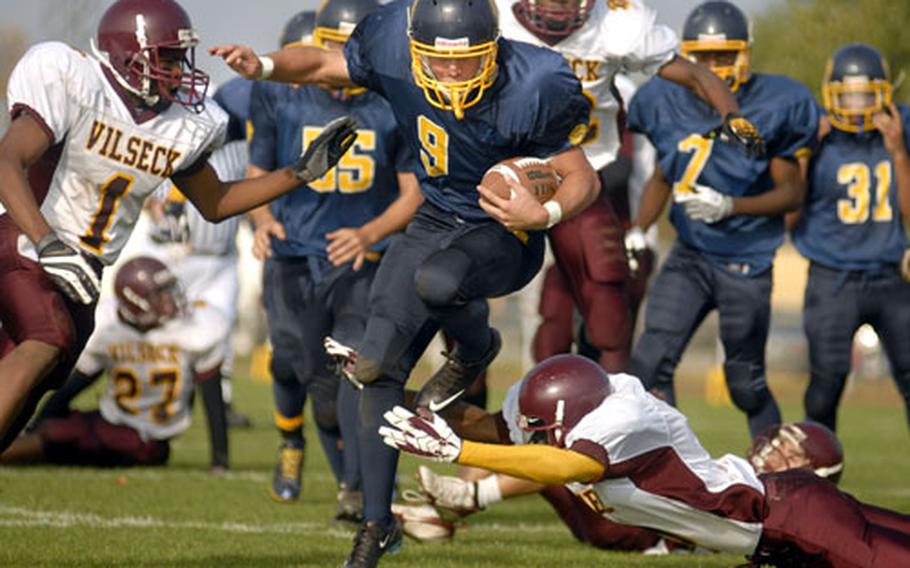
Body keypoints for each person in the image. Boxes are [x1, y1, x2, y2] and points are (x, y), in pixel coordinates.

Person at [212, 0, 603, 564]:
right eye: (438, 63)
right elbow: (322, 65)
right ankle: (376, 525)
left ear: (491, 50)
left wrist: (542, 216)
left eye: (466, 63)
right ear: (414, 49)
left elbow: (580, 174)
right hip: (435, 218)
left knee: (438, 283)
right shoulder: (392, 41)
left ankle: (475, 348)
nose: (450, 75)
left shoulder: (536, 81)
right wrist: (264, 66)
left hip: (502, 229)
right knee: (375, 369)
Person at [0, 0, 356, 453]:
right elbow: (6, 161)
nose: (178, 69)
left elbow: (216, 201)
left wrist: (297, 174)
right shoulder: (76, 81)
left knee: (33, 385)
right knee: (47, 339)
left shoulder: (179, 125)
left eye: (181, 57)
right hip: (28, 241)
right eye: (167, 57)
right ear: (128, 55)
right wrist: (47, 242)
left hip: (86, 269)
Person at [381, 354, 910, 567]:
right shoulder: (595, 401)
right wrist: (382, 387)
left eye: (544, 429)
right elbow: (491, 424)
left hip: (787, 518)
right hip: (778, 528)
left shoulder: (623, 420)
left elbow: (568, 468)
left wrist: (458, 453)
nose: (536, 437)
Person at [497, 0, 763, 371]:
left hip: (581, 178)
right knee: (462, 293)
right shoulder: (494, 15)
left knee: (608, 309)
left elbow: (695, 75)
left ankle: (611, 402)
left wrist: (731, 113)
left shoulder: (615, 24)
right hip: (499, 174)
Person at [245, 0, 422, 525]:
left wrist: (369, 231)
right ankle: (300, 443)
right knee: (308, 375)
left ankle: (353, 489)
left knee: (355, 371)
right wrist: (261, 221)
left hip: (362, 258)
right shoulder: (282, 93)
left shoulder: (392, 101)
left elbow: (413, 194)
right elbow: (257, 170)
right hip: (294, 256)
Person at [625, 0, 819, 436]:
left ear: (746, 52)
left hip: (746, 259)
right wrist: (638, 229)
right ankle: (673, 463)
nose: (714, 66)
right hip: (690, 252)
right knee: (650, 361)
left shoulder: (778, 102)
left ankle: (776, 473)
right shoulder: (660, 98)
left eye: (725, 55)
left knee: (744, 384)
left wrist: (732, 206)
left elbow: (792, 192)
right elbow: (663, 173)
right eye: (704, 57)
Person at [394, 407, 848, 552]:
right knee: (547, 440)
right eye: (781, 442)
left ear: (814, 475)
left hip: (632, 529)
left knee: (563, 455)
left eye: (792, 453)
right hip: (629, 522)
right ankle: (449, 509)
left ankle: (468, 494)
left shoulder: (770, 508)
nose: (775, 451)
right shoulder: (749, 485)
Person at [0, 257, 228, 471]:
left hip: (143, 436)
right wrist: (41, 420)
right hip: (115, 420)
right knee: (54, 427)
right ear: (135, 301)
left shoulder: (192, 330)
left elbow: (213, 399)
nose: (170, 299)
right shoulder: (111, 329)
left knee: (52, 433)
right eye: (160, 294)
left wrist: (220, 460)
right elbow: (78, 382)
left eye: (168, 290)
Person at [790, 43, 910, 434]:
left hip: (891, 275)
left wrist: (897, 152)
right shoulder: (815, 132)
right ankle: (817, 483)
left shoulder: (900, 126)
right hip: (831, 277)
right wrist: (805, 153)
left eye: (865, 95)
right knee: (826, 383)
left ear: (884, 92)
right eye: (849, 95)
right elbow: (790, 215)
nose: (857, 106)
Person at [143, 77, 255, 430]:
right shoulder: (170, 135)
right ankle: (160, 400)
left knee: (217, 335)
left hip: (219, 257)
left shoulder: (240, 146)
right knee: (161, 334)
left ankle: (220, 403)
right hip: (173, 254)